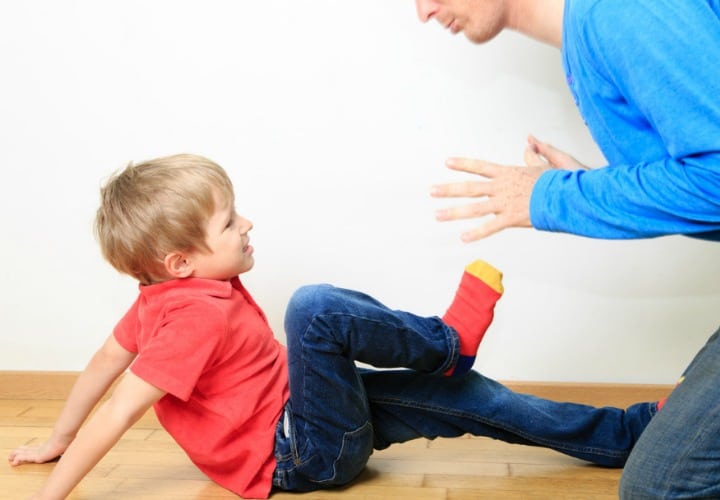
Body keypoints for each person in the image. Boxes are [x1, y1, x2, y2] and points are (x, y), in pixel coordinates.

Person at [9, 153, 656, 499]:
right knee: (313, 307)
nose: (248, 224)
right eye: (229, 223)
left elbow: (104, 360)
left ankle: (626, 434)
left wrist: (56, 439)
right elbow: (119, 409)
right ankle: (445, 342)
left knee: (470, 397)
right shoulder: (188, 318)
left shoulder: (166, 295)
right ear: (181, 262)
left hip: (307, 413)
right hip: (298, 453)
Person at [415, 0, 720, 497]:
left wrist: (556, 197)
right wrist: (585, 185)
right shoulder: (593, 29)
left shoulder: (619, 12)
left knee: (663, 486)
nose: (424, 10)